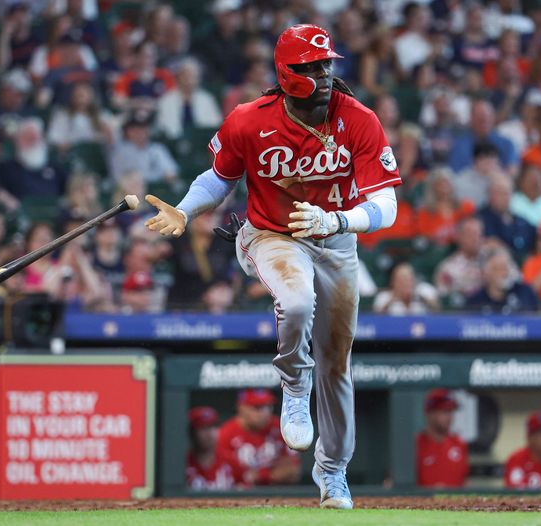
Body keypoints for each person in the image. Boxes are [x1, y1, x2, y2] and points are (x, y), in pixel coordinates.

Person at [144, 25, 402, 509]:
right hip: (272, 234)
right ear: (287, 73)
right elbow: (218, 178)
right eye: (311, 67)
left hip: (336, 239)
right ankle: (293, 384)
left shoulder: (359, 118)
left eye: (327, 65)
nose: (324, 75)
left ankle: (333, 471)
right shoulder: (249, 119)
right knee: (297, 299)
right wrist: (184, 210)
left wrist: (338, 218)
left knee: (338, 365)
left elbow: (386, 205)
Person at [216, 389, 301, 487]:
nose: (264, 413)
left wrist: (259, 476)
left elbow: (293, 471)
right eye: (257, 407)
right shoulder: (225, 434)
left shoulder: (281, 427)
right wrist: (273, 474)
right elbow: (230, 477)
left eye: (268, 407)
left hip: (276, 493)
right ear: (241, 408)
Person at [416, 389, 468, 488]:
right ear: (430, 413)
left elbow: (465, 483)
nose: (450, 417)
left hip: (455, 503)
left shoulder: (459, 444)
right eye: (445, 411)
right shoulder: (417, 444)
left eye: (451, 411)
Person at [466, 247, 540, 313]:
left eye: (506, 268)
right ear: (486, 274)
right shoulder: (475, 301)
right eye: (498, 269)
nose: (504, 273)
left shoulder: (525, 293)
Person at [186, 406, 243, 491]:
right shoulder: (184, 464)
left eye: (213, 427)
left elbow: (244, 489)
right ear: (192, 433)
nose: (209, 433)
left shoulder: (231, 461)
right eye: (203, 428)